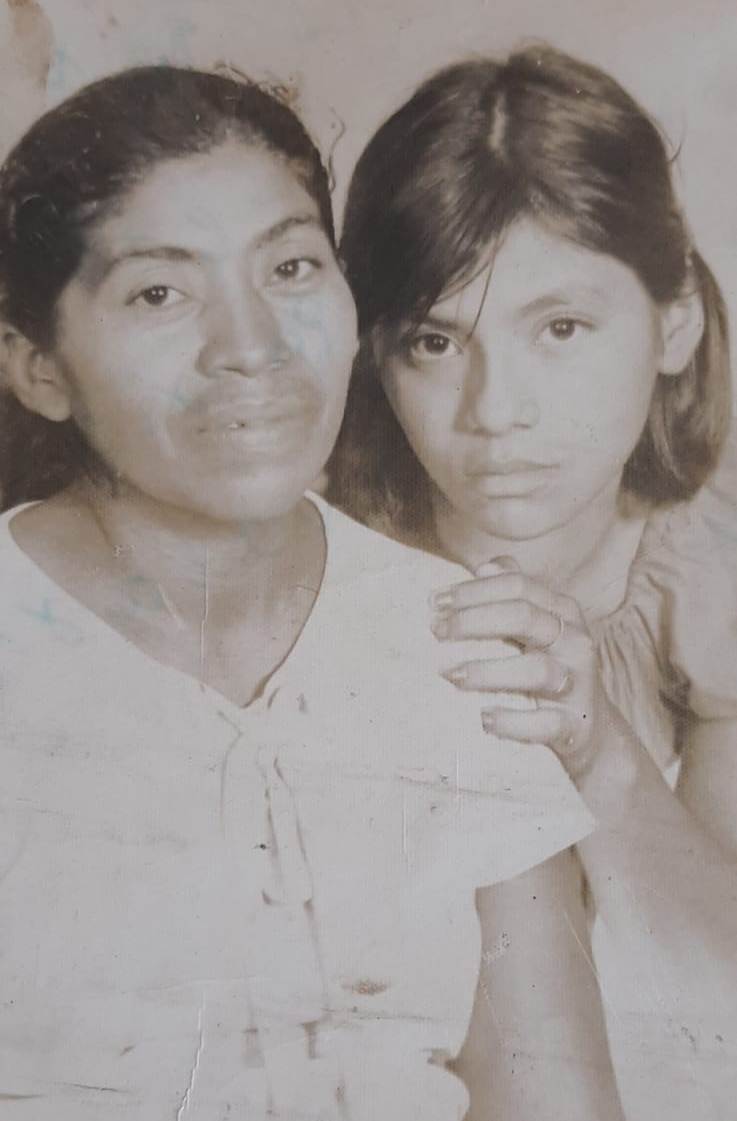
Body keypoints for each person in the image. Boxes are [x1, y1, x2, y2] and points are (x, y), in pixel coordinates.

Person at [0, 65, 622, 1121]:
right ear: (37, 366)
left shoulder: (461, 642)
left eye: (289, 268)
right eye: (160, 293)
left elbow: (554, 1101)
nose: (249, 350)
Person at [328, 44, 737, 1117]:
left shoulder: (713, 573)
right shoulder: (323, 557)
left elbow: (721, 997)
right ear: (375, 353)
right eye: (435, 341)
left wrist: (598, 743)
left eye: (558, 328)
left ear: (674, 321)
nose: (494, 408)